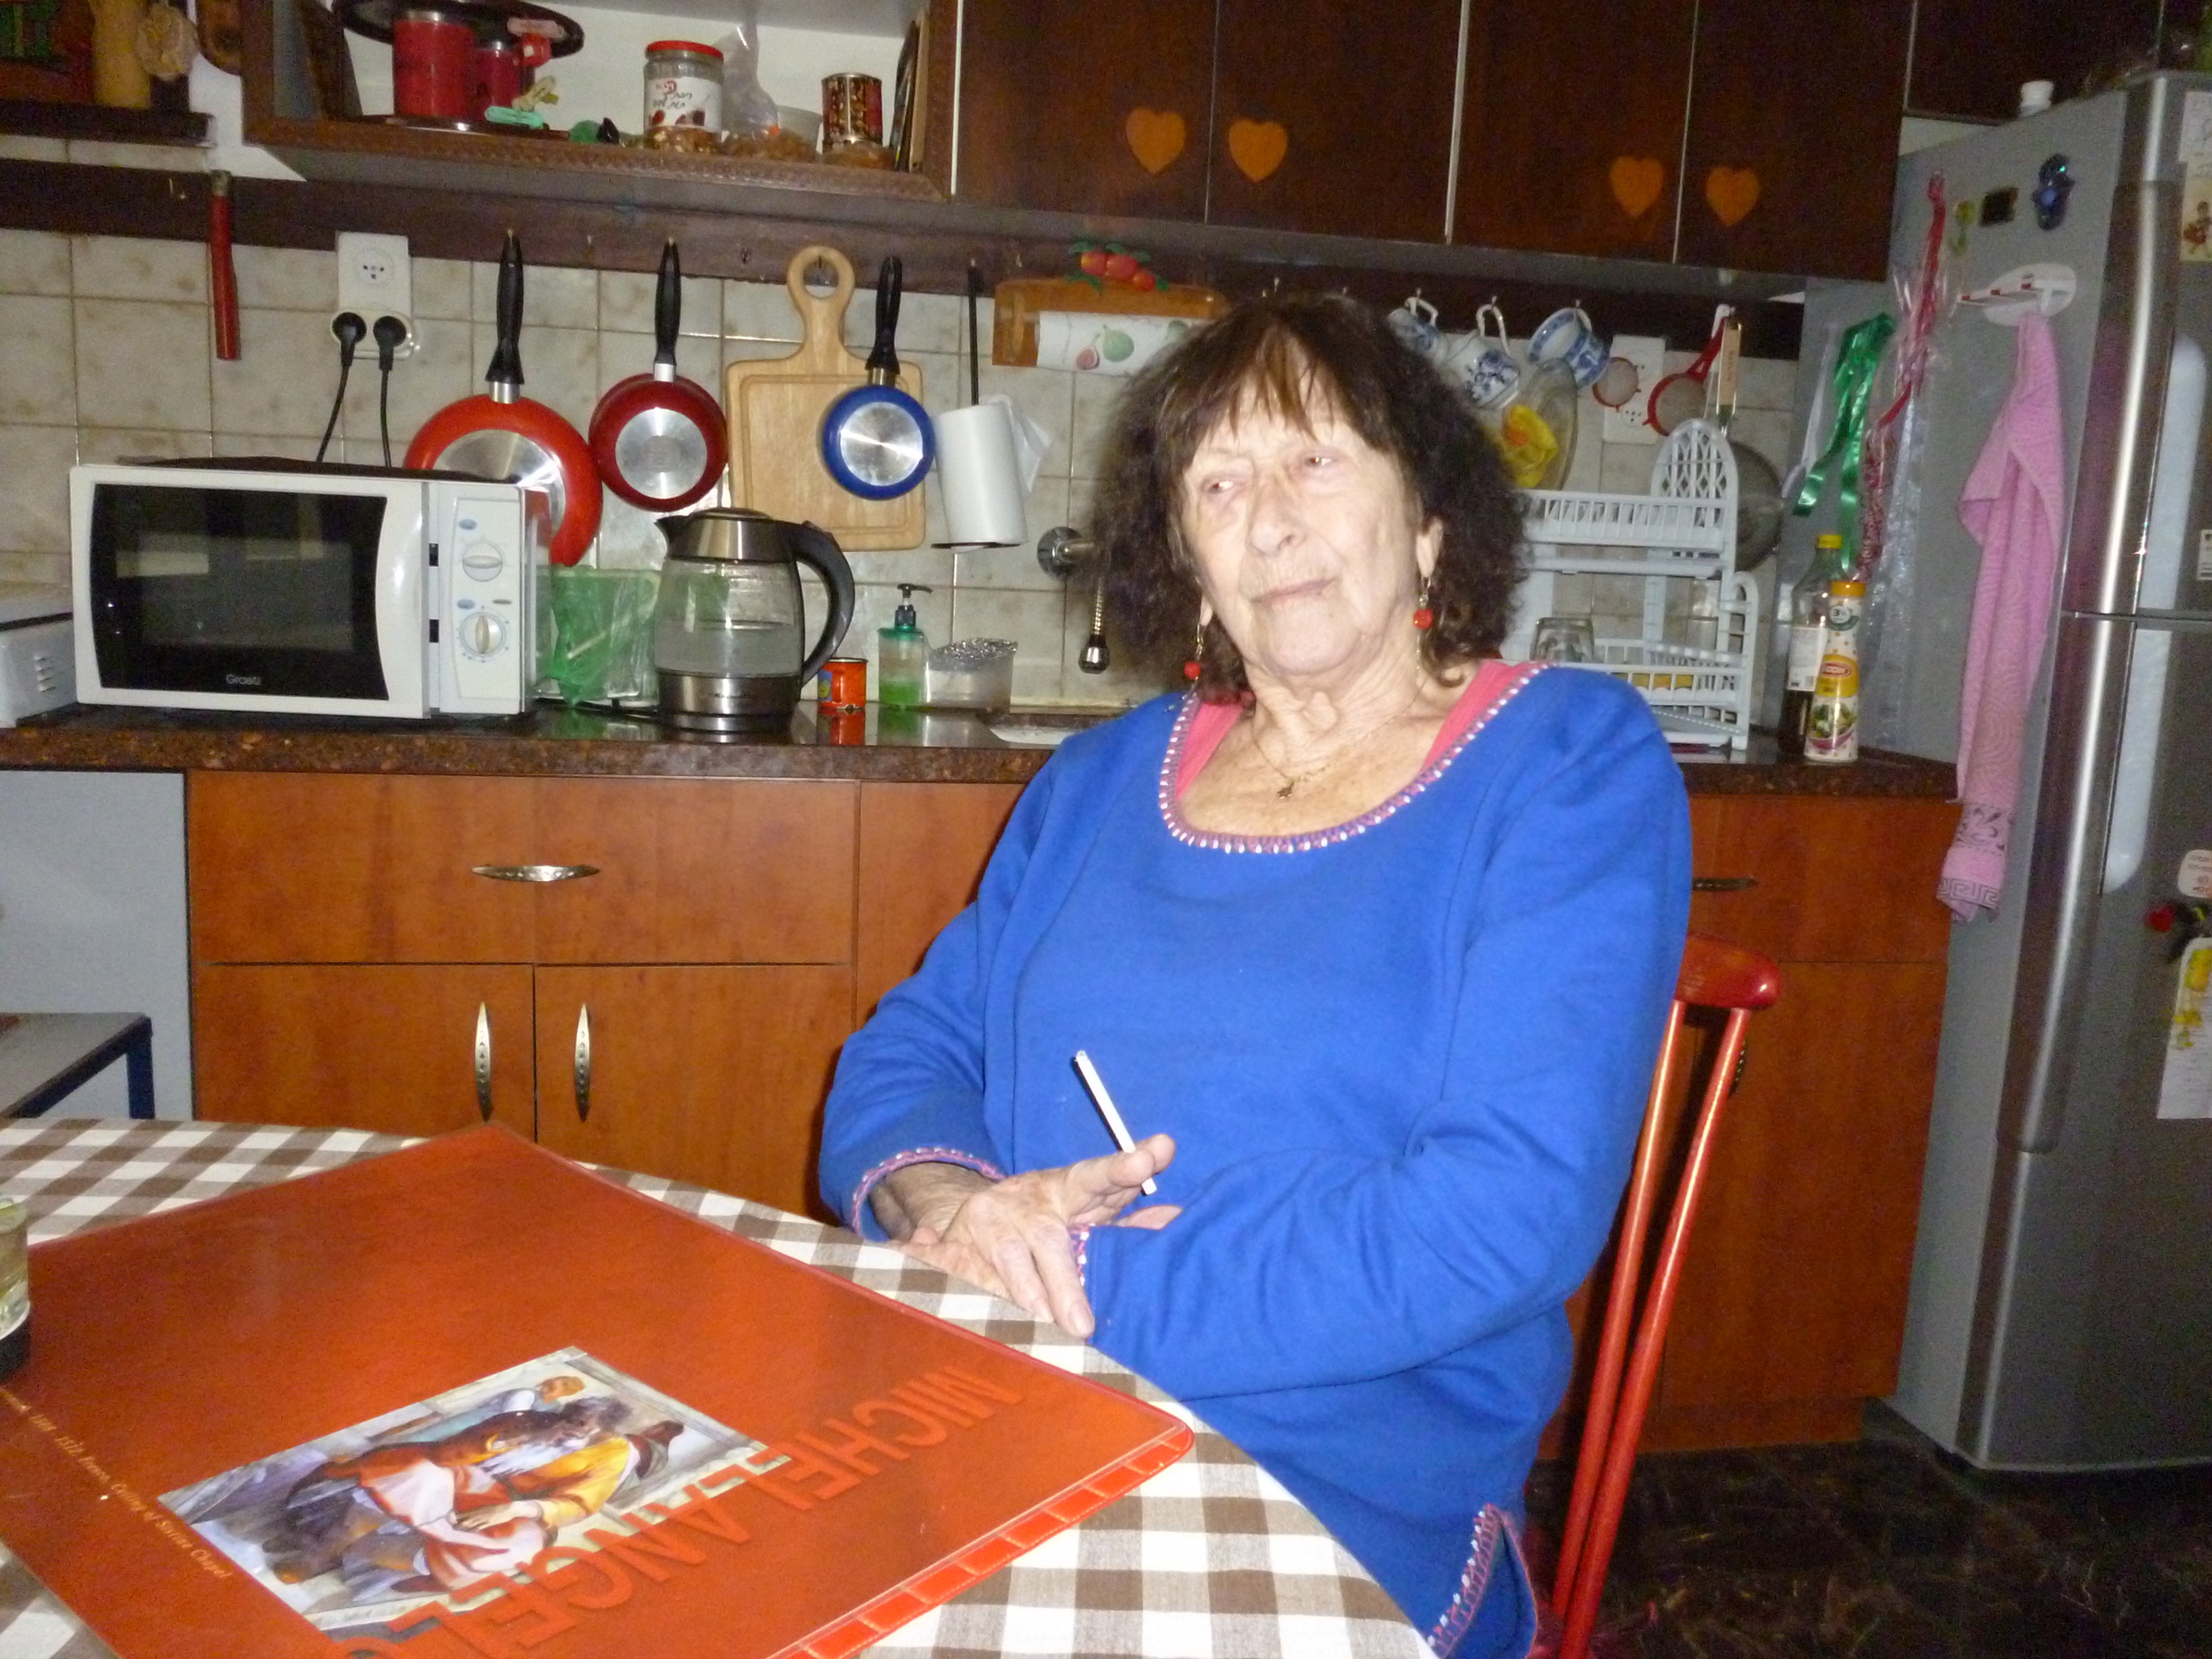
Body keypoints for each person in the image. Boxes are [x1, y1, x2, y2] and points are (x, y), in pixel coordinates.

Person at [818, 292, 1688, 1658]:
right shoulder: (1097, 781)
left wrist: (1065, 1281)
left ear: (1429, 517)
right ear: (1188, 559)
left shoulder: (1565, 763)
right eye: (1218, 484)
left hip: (1336, 1477)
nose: (1269, 521)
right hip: (1010, 1402)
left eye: (1316, 459)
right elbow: (911, 1052)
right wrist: (955, 1210)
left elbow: (1498, 1216)